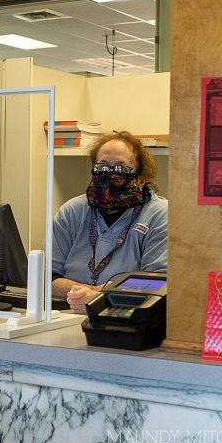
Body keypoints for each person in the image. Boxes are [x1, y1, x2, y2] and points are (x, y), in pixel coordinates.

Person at [51, 132, 168, 314]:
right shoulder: (72, 211)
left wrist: (96, 297)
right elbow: (47, 278)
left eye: (121, 169)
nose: (110, 175)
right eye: (103, 168)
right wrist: (84, 295)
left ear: (141, 177)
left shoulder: (159, 214)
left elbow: (157, 282)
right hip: (65, 314)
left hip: (126, 316)